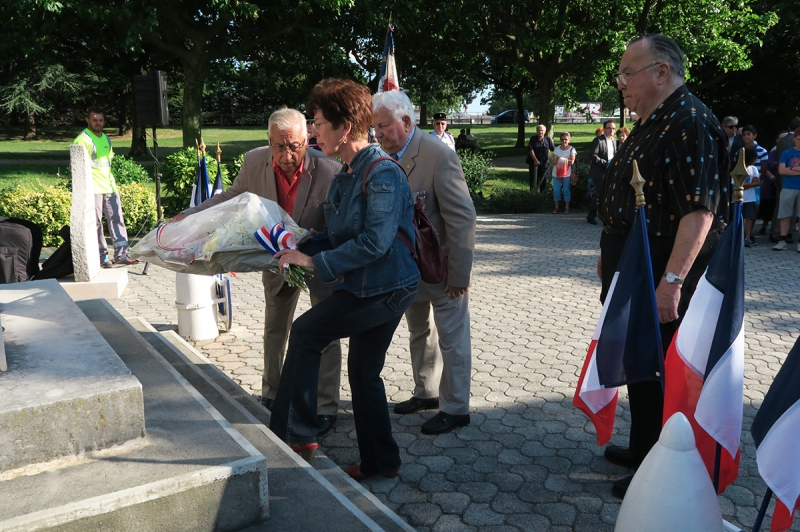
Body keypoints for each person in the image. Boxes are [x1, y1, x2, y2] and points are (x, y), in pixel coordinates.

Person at [596, 35, 728, 499]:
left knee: (660, 369)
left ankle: (660, 469)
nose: (621, 85)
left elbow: (700, 211)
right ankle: (641, 448)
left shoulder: (689, 121)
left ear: (661, 72)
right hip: (634, 267)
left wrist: (672, 282)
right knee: (639, 365)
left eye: (627, 74)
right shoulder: (655, 121)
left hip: (661, 272)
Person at [268, 78, 419, 480]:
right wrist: (299, 247)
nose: (313, 130)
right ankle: (381, 462)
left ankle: (297, 435)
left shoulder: (382, 174)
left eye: (318, 122)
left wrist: (314, 263)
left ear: (344, 128)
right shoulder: (348, 174)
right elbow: (336, 235)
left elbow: (375, 243)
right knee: (364, 371)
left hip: (388, 287)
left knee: (306, 332)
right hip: (372, 284)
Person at [171, 108, 343, 437]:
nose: (286, 155)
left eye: (294, 146)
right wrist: (191, 216)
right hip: (277, 261)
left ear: (307, 140)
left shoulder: (331, 171)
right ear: (269, 142)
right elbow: (231, 197)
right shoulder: (254, 162)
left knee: (325, 335)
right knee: (275, 330)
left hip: (316, 260)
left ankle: (325, 405)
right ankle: (273, 393)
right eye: (279, 147)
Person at [372, 89, 477, 435]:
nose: (378, 134)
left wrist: (459, 274)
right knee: (419, 331)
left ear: (405, 121)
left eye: (383, 126)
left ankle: (456, 407)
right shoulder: (382, 158)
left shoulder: (437, 155)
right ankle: (427, 392)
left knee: (452, 338)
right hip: (406, 271)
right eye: (375, 127)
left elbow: (462, 219)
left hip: (442, 270)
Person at [72, 108, 137, 268]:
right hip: (92, 188)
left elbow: (107, 164)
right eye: (95, 120)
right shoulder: (82, 140)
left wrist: (113, 184)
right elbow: (77, 167)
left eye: (100, 120)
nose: (98, 123)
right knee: (95, 224)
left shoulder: (107, 139)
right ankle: (101, 256)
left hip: (108, 186)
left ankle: (121, 254)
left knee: (117, 219)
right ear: (88, 120)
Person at [773, 128, 800, 251]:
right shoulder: (786, 153)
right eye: (799, 139)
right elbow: (781, 170)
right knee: (785, 214)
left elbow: (786, 169)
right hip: (788, 186)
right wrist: (797, 170)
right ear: (794, 138)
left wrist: (792, 169)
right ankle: (782, 240)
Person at [587, 120, 618, 225]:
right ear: (604, 129)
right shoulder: (598, 140)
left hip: (610, 172)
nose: (611, 130)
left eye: (613, 128)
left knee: (608, 195)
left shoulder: (614, 141)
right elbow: (593, 155)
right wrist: (606, 163)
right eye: (609, 128)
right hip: (599, 172)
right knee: (598, 195)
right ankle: (592, 216)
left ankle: (605, 217)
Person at [759, 131, 788, 235]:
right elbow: (766, 167)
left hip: (781, 183)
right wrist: (772, 177)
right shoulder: (773, 152)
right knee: (768, 206)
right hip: (770, 183)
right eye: (781, 138)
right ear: (777, 140)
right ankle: (764, 226)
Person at [550, 131, 576, 214]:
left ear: (569, 139)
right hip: (556, 173)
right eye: (562, 139)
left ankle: (567, 207)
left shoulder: (572, 149)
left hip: (567, 174)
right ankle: (556, 207)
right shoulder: (557, 149)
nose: (564, 141)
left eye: (566, 139)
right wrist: (566, 159)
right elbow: (554, 161)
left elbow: (572, 162)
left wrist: (560, 159)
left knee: (566, 190)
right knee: (556, 190)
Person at [742, 147, 761, 247]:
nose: (755, 160)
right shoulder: (739, 168)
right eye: (754, 158)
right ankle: (738, 237)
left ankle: (747, 237)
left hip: (750, 198)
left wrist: (756, 182)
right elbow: (739, 184)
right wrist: (754, 184)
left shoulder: (753, 169)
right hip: (739, 199)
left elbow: (756, 180)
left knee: (749, 218)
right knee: (738, 218)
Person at [527, 125, 555, 193]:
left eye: (542, 130)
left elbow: (554, 149)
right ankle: (533, 194)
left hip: (544, 164)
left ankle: (543, 195)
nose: (540, 132)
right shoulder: (533, 139)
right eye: (539, 130)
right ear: (537, 131)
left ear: (545, 131)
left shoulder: (548, 139)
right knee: (533, 180)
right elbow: (530, 150)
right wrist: (535, 160)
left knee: (543, 181)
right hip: (534, 163)